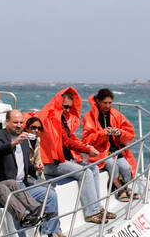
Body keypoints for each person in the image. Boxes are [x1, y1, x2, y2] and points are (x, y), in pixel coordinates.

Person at [0, 110, 66, 237]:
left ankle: (48, 236)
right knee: (18, 202)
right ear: (7, 122)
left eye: (20, 122)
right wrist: (14, 142)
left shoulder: (24, 141)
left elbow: (25, 165)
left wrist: (36, 168)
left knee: (51, 195)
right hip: (5, 186)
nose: (19, 125)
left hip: (22, 184)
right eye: (15, 122)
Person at [38, 86, 111, 224]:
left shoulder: (60, 117)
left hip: (63, 160)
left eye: (69, 108)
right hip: (51, 164)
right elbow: (67, 142)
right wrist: (87, 150)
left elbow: (68, 139)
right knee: (86, 173)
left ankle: (97, 207)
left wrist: (85, 146)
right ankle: (91, 213)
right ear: (59, 103)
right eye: (65, 106)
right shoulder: (53, 118)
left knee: (94, 168)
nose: (67, 110)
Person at [81, 88, 138, 201]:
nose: (107, 106)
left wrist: (119, 133)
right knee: (113, 166)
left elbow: (130, 135)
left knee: (126, 167)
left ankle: (124, 187)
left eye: (110, 103)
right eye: (105, 103)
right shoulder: (89, 117)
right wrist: (102, 133)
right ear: (98, 101)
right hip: (100, 152)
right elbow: (87, 140)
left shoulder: (116, 115)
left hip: (115, 149)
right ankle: (122, 191)